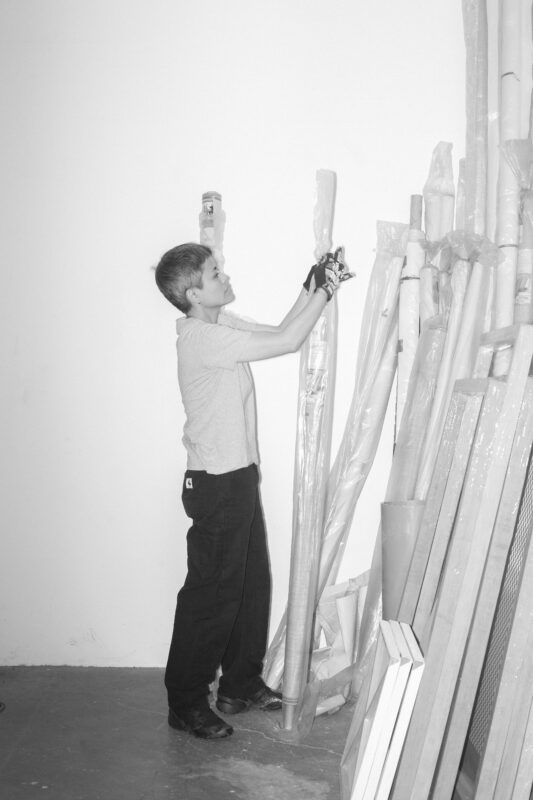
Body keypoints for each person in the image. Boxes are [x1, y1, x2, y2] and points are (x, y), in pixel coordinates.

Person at [154, 241, 352, 740]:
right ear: (194, 293)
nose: (224, 275)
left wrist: (312, 287)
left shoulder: (221, 326)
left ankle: (240, 684)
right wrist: (325, 292)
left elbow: (279, 332)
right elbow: (287, 341)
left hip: (237, 475)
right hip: (215, 481)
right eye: (214, 273)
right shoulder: (201, 338)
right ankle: (185, 701)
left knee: (249, 583)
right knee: (211, 596)